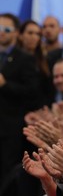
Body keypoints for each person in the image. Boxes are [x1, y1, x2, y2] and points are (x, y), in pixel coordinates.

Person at [0, 13, 38, 185]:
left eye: (6, 29)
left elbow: (31, 92)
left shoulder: (25, 59)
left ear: (16, 32)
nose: (2, 33)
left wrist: (5, 84)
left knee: (7, 173)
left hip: (10, 128)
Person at [17, 20, 55, 108]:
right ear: (20, 35)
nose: (34, 37)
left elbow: (49, 91)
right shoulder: (11, 59)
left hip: (40, 110)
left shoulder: (46, 61)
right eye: (30, 33)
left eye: (38, 34)